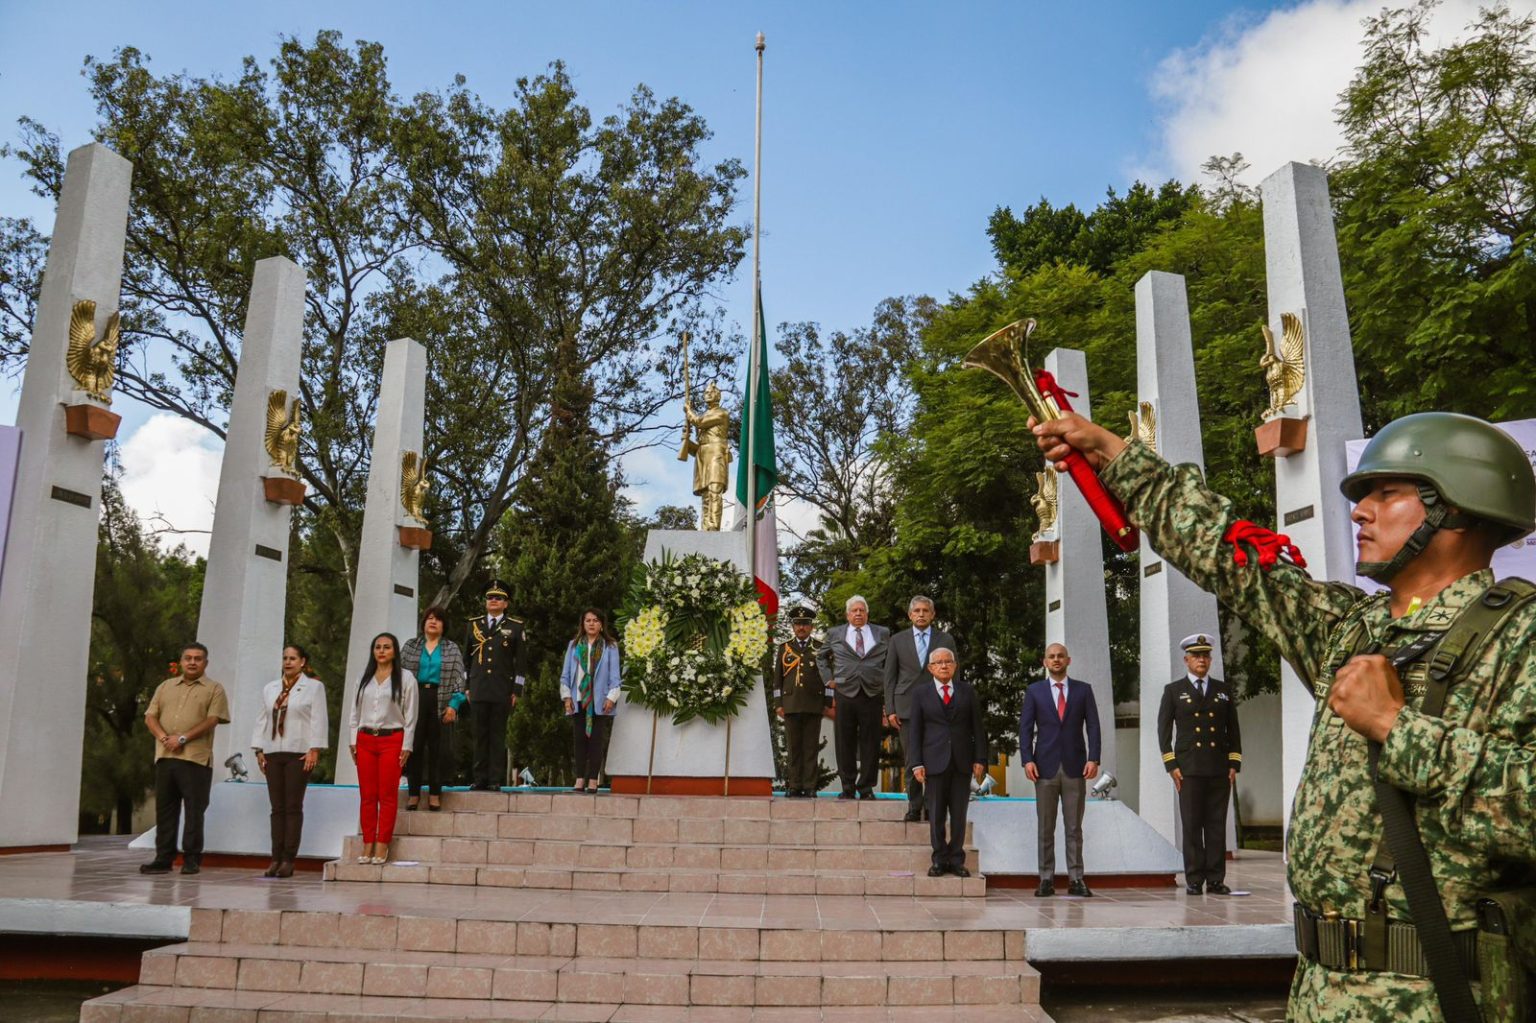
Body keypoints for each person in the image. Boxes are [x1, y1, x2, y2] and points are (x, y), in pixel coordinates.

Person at [1033, 409, 1536, 1021]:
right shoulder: (1354, 628)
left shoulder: (1520, 635)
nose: (1360, 511)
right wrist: (1113, 454)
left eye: (1386, 493)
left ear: (1455, 508)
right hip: (1320, 992)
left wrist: (1396, 729)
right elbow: (1225, 553)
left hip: (1437, 998)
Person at [1156, 633, 1240, 896]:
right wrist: (1171, 765)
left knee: (1216, 825)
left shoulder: (1223, 690)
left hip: (1218, 767)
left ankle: (1215, 879)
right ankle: (1194, 879)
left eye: (1205, 656)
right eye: (1196, 656)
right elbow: (1163, 732)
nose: (1201, 660)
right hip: (1189, 768)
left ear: (1210, 660)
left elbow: (1233, 730)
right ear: (1186, 660)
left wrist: (1234, 763)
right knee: (1192, 825)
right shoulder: (1174, 691)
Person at [1019, 642, 1102, 898]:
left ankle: (1076, 879)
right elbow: (1025, 728)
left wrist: (1094, 758)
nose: (1056, 660)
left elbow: (1093, 726)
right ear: (1045, 662)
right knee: (1045, 827)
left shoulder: (1083, 690)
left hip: (1076, 767)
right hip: (1044, 768)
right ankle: (1046, 879)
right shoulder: (1034, 691)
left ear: (1068, 660)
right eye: (1051, 656)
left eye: (1060, 656)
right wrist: (1027, 759)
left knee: (1074, 828)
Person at [140, 643, 230, 875]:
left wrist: (182, 738)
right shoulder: (165, 687)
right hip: (165, 757)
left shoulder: (214, 689)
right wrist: (164, 738)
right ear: (181, 662)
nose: (192, 662)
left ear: (205, 663)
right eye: (188, 658)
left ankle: (191, 859)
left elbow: (212, 720)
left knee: (193, 811)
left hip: (195, 760)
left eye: (198, 658)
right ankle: (163, 858)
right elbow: (150, 716)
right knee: (165, 811)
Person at [906, 647, 988, 877]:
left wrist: (980, 758)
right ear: (930, 668)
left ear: (955, 666)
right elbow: (915, 732)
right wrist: (916, 763)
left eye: (948, 661)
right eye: (938, 662)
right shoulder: (920, 694)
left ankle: (957, 859)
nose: (943, 666)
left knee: (959, 814)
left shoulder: (967, 691)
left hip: (962, 762)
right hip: (934, 762)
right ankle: (939, 859)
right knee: (936, 814)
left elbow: (978, 727)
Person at [250, 645, 328, 878]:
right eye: (285, 658)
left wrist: (315, 748)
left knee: (293, 806)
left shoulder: (313, 687)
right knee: (277, 808)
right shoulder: (271, 688)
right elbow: (262, 719)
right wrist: (259, 749)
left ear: (302, 662)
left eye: (293, 658)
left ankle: (288, 859)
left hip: (299, 752)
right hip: (273, 751)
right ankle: (275, 858)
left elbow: (319, 719)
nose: (288, 662)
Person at [346, 632, 418, 864]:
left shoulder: (405, 678)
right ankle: (368, 842)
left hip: (392, 739)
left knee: (387, 794)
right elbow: (354, 712)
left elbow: (411, 716)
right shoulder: (364, 678)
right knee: (367, 795)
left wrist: (407, 745)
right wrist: (353, 740)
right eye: (378, 647)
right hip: (365, 739)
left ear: (394, 651)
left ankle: (382, 842)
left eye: (387, 647)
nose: (382, 651)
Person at [883, 595, 957, 821]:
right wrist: (890, 708)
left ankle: (932, 805)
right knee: (912, 758)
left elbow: (954, 673)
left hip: (938, 706)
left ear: (933, 615)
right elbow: (890, 676)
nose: (921, 614)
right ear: (910, 615)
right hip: (906, 707)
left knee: (936, 758)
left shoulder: (945, 639)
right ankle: (914, 806)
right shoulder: (897, 640)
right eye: (917, 611)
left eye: (926, 610)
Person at [816, 594, 889, 799]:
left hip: (872, 692)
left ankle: (866, 788)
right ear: (847, 615)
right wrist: (828, 679)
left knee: (871, 741)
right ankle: (847, 786)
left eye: (861, 610)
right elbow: (821, 656)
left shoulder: (882, 633)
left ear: (867, 613)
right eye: (854, 611)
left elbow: (891, 659)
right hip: (844, 692)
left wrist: (884, 679)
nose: (858, 613)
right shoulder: (835, 633)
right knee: (844, 741)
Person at [400, 607, 467, 811]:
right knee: (414, 746)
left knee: (438, 749)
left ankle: (435, 794)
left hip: (440, 699)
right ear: (423, 623)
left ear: (443, 625)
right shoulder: (410, 646)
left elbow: (459, 679)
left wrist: (453, 705)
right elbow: (399, 675)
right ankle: (413, 793)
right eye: (429, 618)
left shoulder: (451, 648)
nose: (433, 622)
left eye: (438, 619)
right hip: (415, 698)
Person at [465, 579, 528, 790]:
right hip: (478, 688)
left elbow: (521, 664)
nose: (494, 600)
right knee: (479, 736)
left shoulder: (515, 627)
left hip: (502, 689)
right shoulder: (473, 625)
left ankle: (494, 780)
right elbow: (466, 660)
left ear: (506, 603)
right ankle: (479, 778)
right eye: (490, 597)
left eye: (499, 598)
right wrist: (466, 686)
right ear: (485, 602)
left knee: (497, 736)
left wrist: (517, 690)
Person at [774, 605, 833, 797]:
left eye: (805, 624)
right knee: (793, 748)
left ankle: (809, 786)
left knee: (810, 748)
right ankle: (794, 785)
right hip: (790, 704)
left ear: (811, 627)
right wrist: (778, 703)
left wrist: (828, 702)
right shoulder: (784, 648)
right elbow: (777, 679)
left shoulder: (820, 648)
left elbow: (828, 677)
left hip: (814, 704)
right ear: (793, 626)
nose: (801, 628)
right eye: (798, 624)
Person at [560, 608, 622, 791]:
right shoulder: (574, 645)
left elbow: (615, 677)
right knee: (579, 740)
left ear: (601, 624)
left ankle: (593, 779)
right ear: (583, 624)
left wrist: (611, 698)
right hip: (578, 698)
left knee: (596, 740)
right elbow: (565, 674)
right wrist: (566, 697)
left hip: (600, 700)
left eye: (595, 620)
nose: (591, 624)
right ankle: (579, 778)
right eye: (588, 620)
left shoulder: (610, 647)